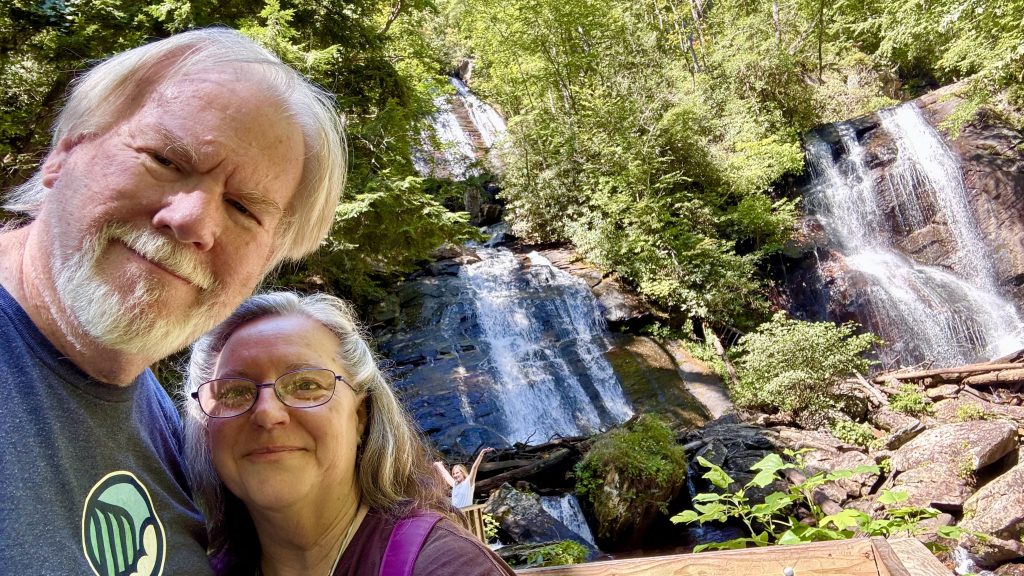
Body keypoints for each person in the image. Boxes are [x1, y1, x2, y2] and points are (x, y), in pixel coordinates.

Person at [0, 28, 346, 574]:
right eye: (164, 159)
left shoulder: (183, 436)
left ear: (267, 261)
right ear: (63, 152)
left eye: (242, 207)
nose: (192, 222)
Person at [182, 291, 516, 575]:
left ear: (360, 416)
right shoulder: (190, 567)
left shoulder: (447, 566)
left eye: (306, 385)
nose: (267, 412)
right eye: (234, 392)